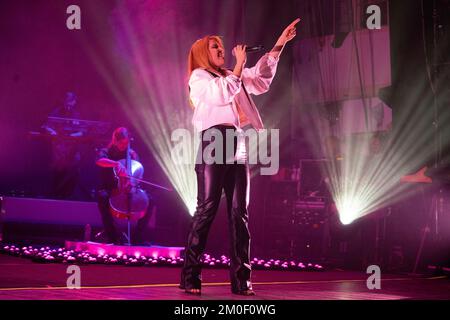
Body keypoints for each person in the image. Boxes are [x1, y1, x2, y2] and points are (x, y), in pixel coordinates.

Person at [180, 18, 301, 295]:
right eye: (215, 47)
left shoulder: (233, 75)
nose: (221, 49)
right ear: (203, 53)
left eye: (221, 46)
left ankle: (242, 280)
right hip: (213, 140)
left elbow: (261, 79)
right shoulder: (199, 78)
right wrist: (236, 66)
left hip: (236, 142)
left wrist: (280, 44)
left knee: (240, 213)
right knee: (207, 210)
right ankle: (190, 277)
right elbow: (221, 94)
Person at [95, 127, 153, 245]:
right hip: (110, 188)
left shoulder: (131, 154)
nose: (124, 146)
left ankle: (138, 237)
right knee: (102, 197)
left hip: (129, 187)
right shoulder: (106, 151)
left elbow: (138, 174)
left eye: (126, 143)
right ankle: (112, 237)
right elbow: (100, 161)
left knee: (150, 201)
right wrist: (115, 163)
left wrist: (132, 181)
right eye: (121, 143)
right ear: (114, 140)